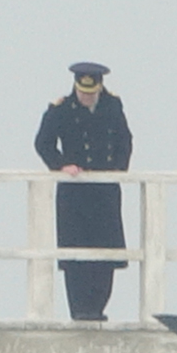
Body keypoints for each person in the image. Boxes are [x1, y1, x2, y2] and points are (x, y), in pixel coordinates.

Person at [32, 62, 133, 321]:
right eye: (83, 92)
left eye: (91, 92)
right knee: (75, 256)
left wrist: (118, 169)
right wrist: (61, 165)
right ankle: (80, 311)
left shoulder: (112, 106)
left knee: (106, 254)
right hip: (74, 195)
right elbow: (43, 142)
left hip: (105, 192)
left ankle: (98, 309)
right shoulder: (62, 109)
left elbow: (125, 140)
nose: (86, 97)